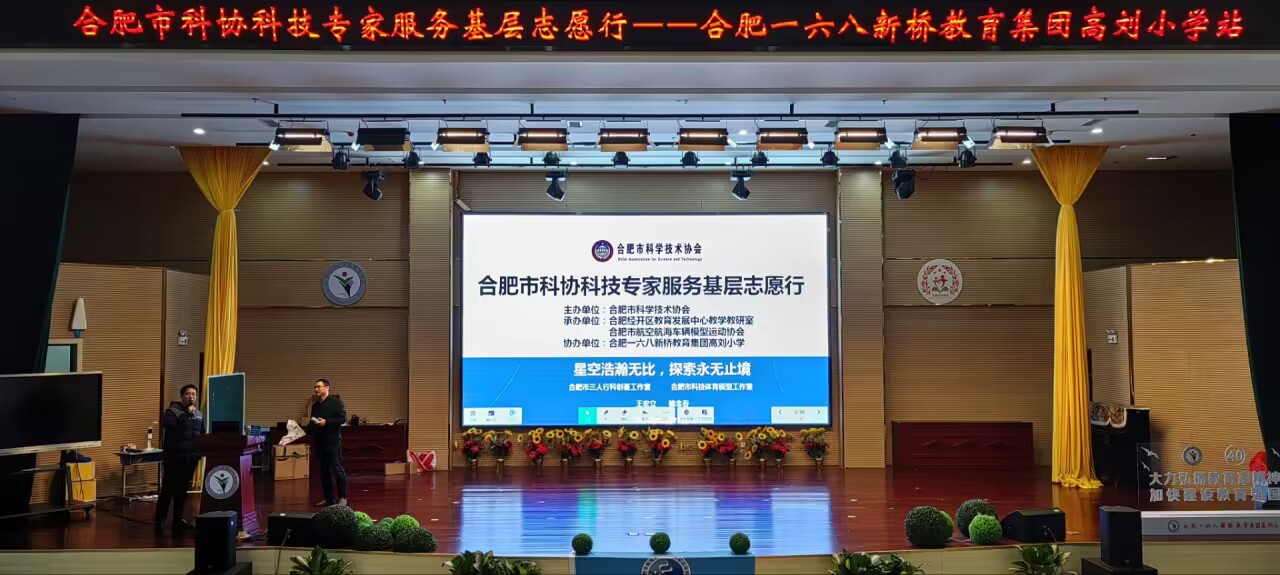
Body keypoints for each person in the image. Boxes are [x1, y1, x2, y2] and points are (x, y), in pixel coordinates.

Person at [156, 384, 203, 531]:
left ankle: (178, 519)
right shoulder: (172, 412)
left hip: (191, 458)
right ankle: (160, 519)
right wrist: (185, 415)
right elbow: (171, 428)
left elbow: (201, 434)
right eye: (188, 394)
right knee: (168, 489)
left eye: (193, 394)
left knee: (182, 491)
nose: (191, 397)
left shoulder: (198, 414)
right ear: (182, 396)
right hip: (174, 458)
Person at [307, 378, 348, 507]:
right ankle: (329, 498)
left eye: (319, 386)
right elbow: (312, 422)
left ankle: (342, 497)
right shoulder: (315, 406)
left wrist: (327, 422)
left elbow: (342, 419)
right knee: (324, 471)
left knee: (337, 469)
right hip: (320, 442)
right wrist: (300, 432)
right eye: (315, 387)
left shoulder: (336, 403)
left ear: (327, 387)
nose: (316, 389)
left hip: (333, 441)